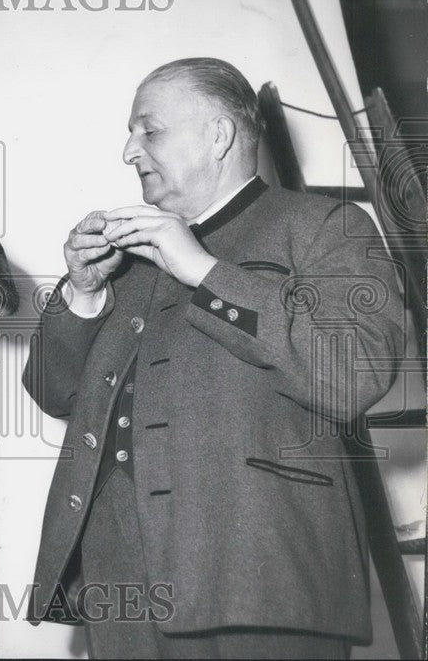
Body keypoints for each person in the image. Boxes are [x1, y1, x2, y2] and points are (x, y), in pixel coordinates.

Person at [22, 58, 405, 659]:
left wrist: (202, 271)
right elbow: (53, 393)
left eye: (150, 131)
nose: (129, 151)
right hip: (121, 586)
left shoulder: (327, 226)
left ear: (219, 135)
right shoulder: (129, 259)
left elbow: (352, 374)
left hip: (264, 576)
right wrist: (84, 292)